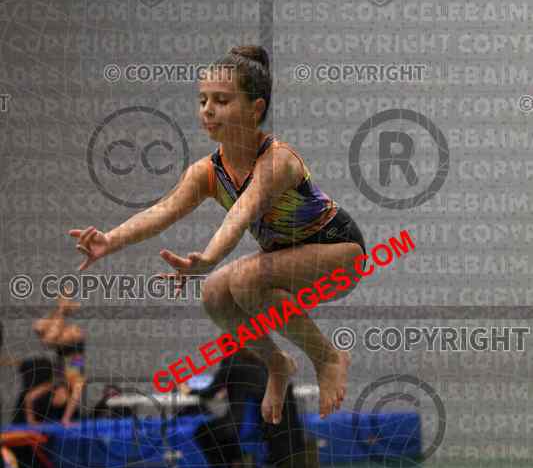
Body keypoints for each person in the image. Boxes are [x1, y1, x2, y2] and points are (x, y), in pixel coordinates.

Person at [69, 45, 367, 425]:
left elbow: (240, 215)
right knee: (214, 294)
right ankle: (276, 364)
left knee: (243, 280)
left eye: (222, 101)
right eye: (203, 100)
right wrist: (111, 240)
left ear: (255, 109)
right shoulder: (208, 172)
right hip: (285, 260)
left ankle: (327, 357)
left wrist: (208, 258)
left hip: (339, 252)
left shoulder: (277, 160)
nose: (207, 110)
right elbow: (163, 211)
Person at [189, 348, 307, 468]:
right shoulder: (265, 363)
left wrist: (189, 391)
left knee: (202, 431)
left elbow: (209, 392)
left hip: (240, 426)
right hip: (266, 426)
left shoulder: (231, 362)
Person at [32, 292, 86, 426]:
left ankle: (63, 308)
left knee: (43, 333)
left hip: (68, 357)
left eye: (55, 398)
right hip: (72, 357)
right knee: (46, 336)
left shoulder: (56, 382)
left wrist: (31, 421)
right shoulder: (69, 383)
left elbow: (29, 398)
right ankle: (63, 307)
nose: (57, 398)